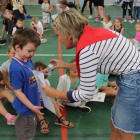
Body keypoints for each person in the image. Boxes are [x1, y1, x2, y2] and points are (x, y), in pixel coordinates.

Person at [40, 9, 140, 140]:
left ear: (69, 34)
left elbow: (86, 94)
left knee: (124, 132)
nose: (58, 39)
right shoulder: (91, 35)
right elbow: (90, 66)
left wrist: (55, 93)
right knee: (115, 125)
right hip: (130, 78)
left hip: (133, 81)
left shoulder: (87, 49)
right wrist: (65, 65)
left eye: (58, 35)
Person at [9, 28, 46, 140]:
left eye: (34, 51)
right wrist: (32, 107)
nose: (32, 54)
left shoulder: (26, 58)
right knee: (26, 135)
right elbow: (17, 91)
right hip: (27, 109)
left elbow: (31, 73)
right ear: (17, 48)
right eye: (30, 51)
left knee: (31, 129)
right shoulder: (16, 68)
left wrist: (41, 72)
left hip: (32, 104)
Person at [34, 61, 74, 133]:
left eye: (41, 72)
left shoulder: (46, 82)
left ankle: (59, 118)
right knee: (34, 99)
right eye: (37, 72)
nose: (39, 74)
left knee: (49, 95)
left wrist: (55, 103)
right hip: (33, 104)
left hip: (42, 103)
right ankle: (42, 120)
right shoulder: (31, 83)